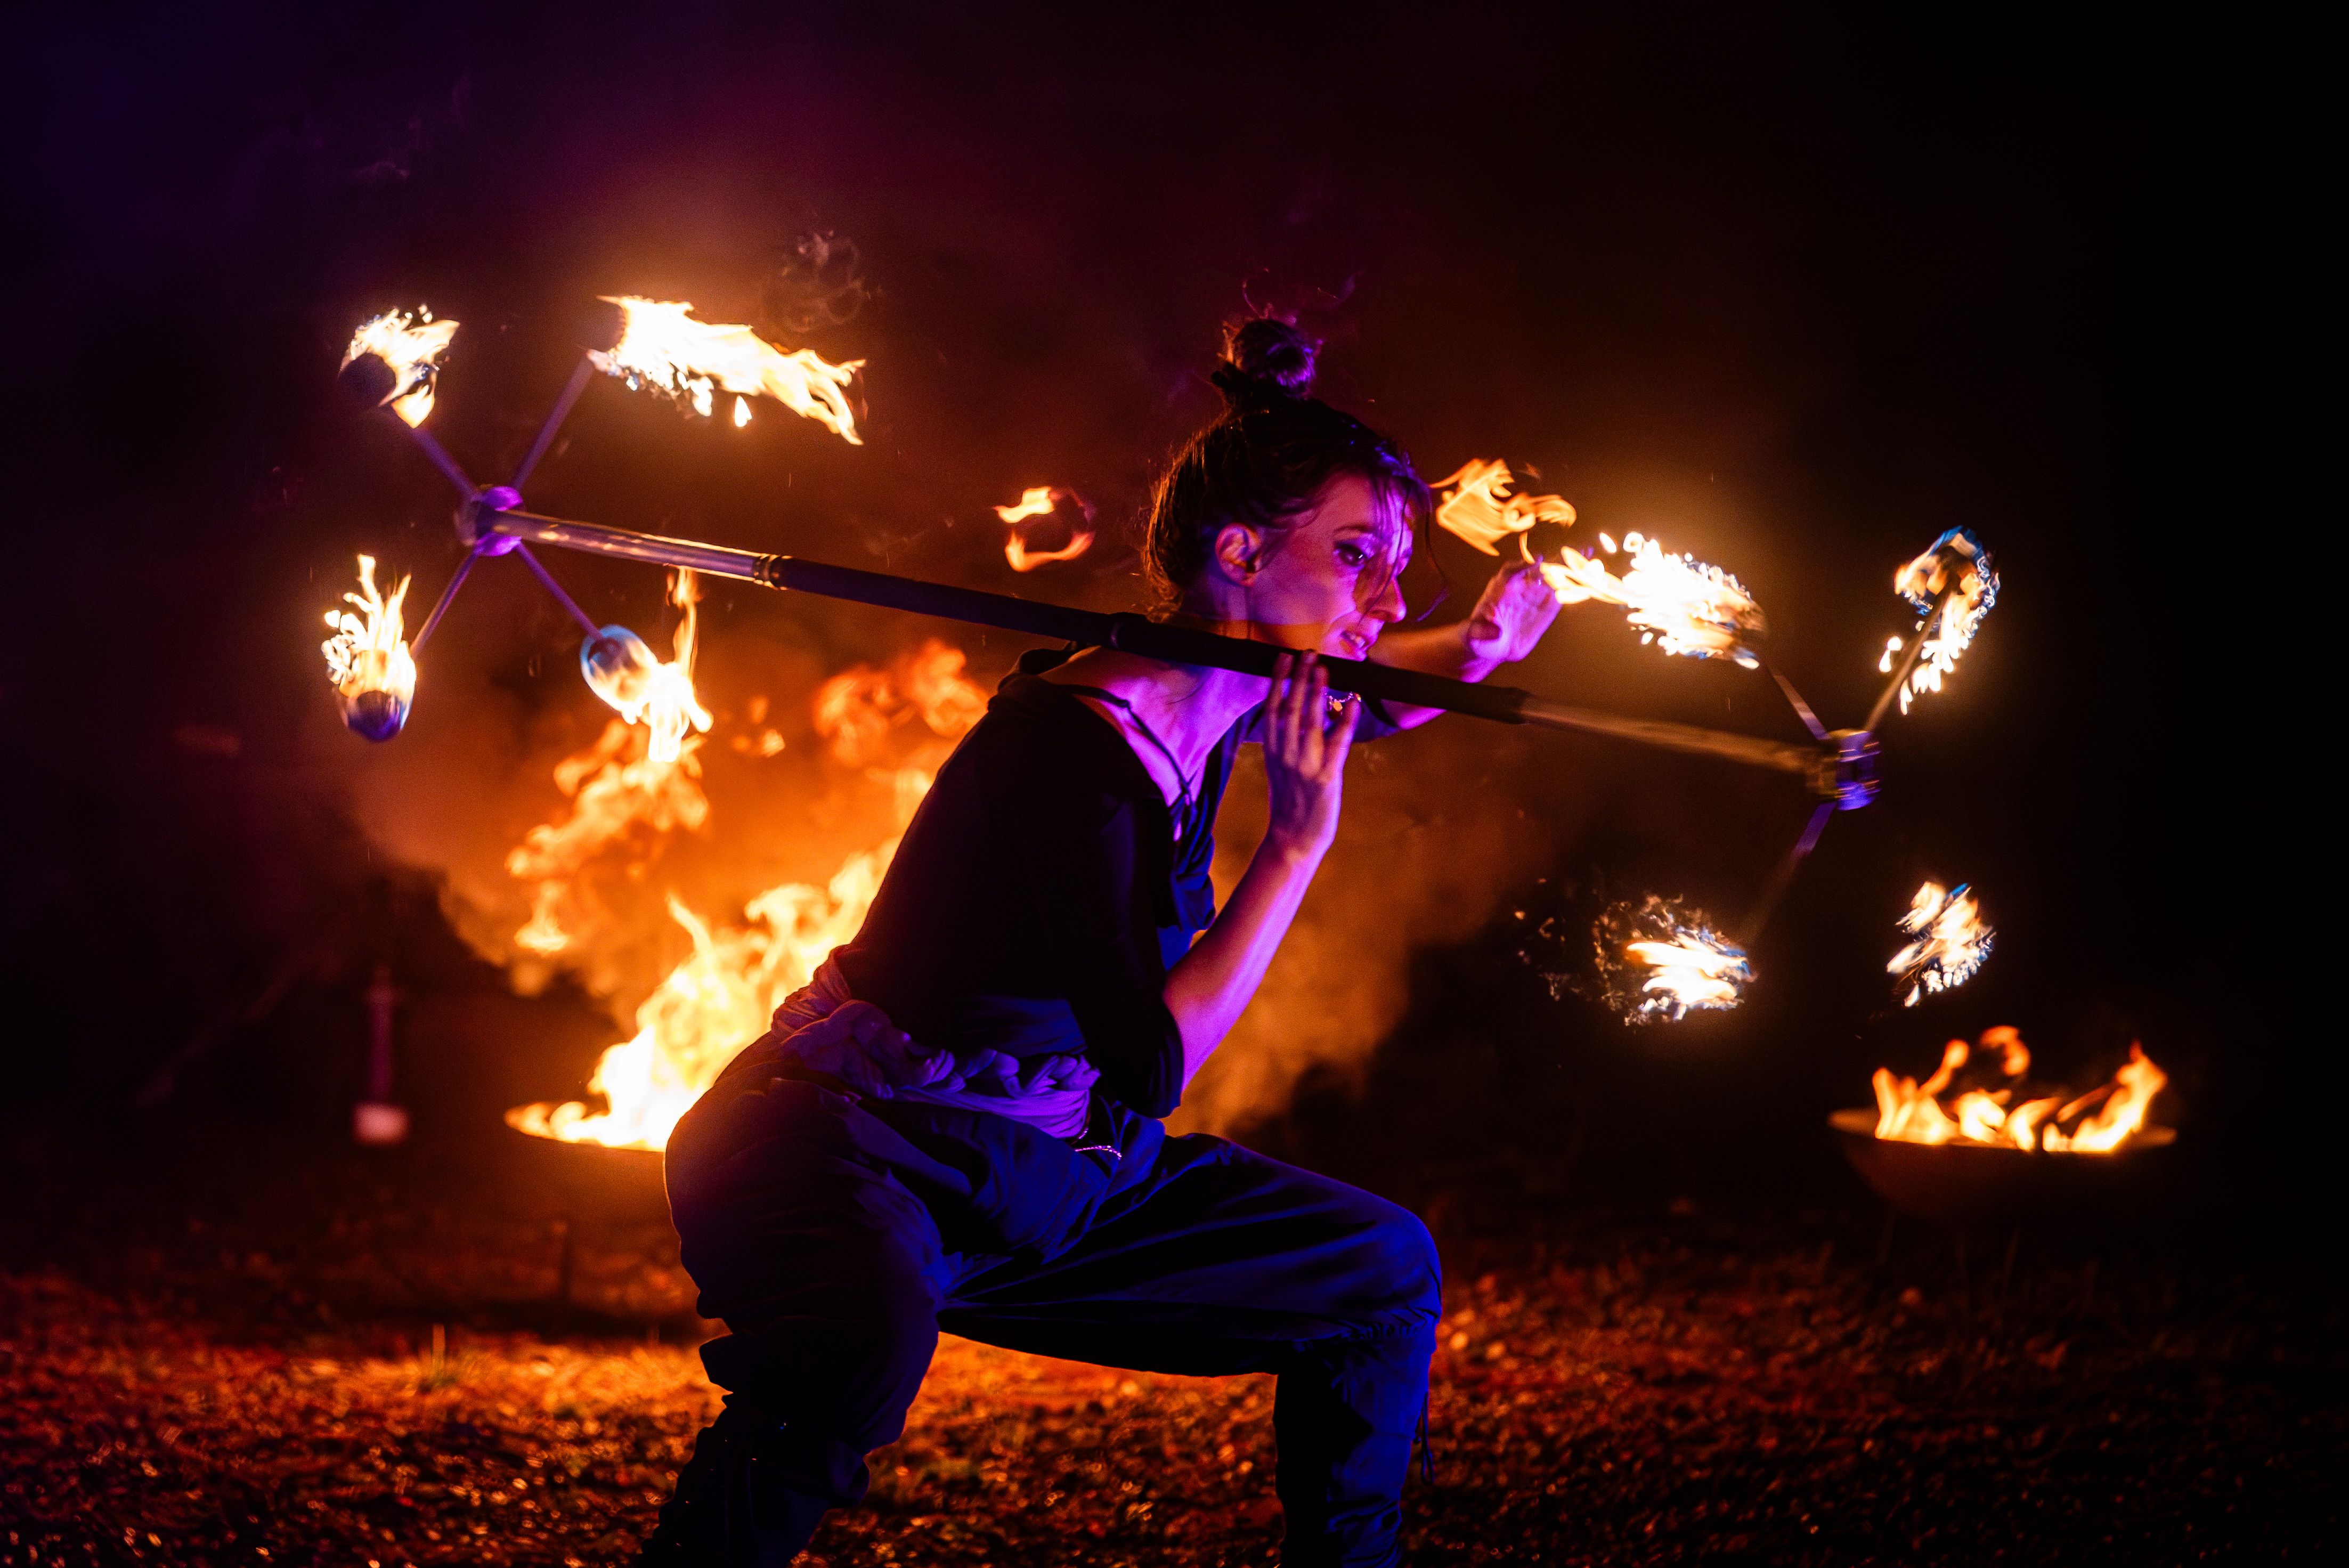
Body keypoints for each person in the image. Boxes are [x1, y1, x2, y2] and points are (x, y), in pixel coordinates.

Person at [641, 318, 1560, 1567]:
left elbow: (1369, 693)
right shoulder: (1073, 756)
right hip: (848, 1148)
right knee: (864, 1340)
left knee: (1381, 1270)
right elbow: (1151, 1063)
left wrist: (1478, 651)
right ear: (1239, 552)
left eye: (1395, 571)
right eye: (1357, 557)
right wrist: (1293, 849)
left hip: (1047, 1167)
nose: (1386, 601)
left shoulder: (1221, 690)